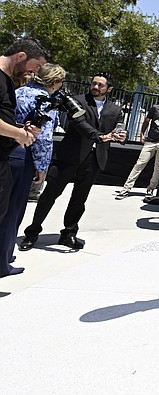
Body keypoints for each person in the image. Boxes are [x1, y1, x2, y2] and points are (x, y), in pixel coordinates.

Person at [20, 73, 124, 251]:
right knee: (49, 196)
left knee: (79, 200)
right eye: (94, 83)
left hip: (94, 160)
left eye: (100, 85)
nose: (96, 87)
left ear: (109, 89)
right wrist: (100, 136)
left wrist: (121, 135)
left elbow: (119, 126)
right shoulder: (76, 101)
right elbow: (80, 123)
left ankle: (69, 234)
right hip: (68, 157)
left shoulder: (115, 109)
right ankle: (32, 233)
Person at [0, 59, 56, 276]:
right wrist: (42, 167)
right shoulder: (45, 100)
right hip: (25, 152)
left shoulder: (19, 90)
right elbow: (45, 138)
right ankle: (4, 261)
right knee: (13, 209)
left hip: (8, 149)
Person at [0, 39, 47, 233]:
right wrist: (19, 134)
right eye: (36, 65)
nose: (35, 72)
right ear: (21, 56)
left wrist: (21, 128)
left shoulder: (7, 80)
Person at [116, 92, 159, 200]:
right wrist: (141, 134)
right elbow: (146, 120)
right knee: (139, 164)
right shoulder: (155, 108)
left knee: (158, 168)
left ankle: (151, 189)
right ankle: (126, 188)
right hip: (150, 141)